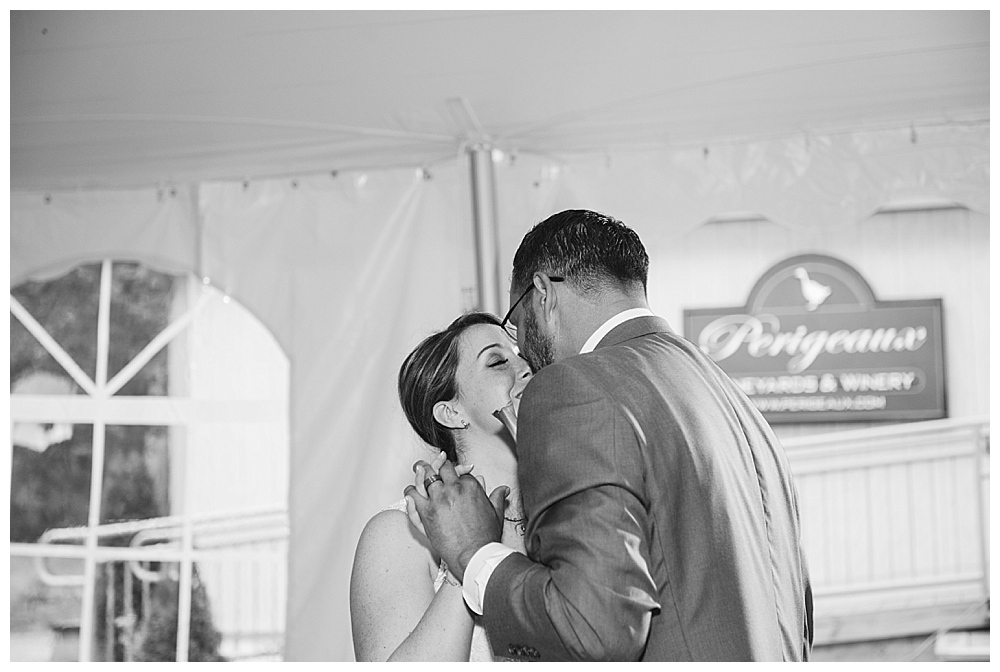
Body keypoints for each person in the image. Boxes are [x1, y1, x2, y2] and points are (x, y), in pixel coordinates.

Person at [405, 209, 814, 661]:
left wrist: (473, 553)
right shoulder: (733, 399)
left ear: (542, 293)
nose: (524, 350)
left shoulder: (574, 387)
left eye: (516, 324)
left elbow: (595, 629)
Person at [349, 312, 532, 661]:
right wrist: (462, 560)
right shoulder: (397, 535)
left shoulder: (568, 508)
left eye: (523, 354)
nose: (525, 367)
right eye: (497, 361)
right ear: (452, 413)